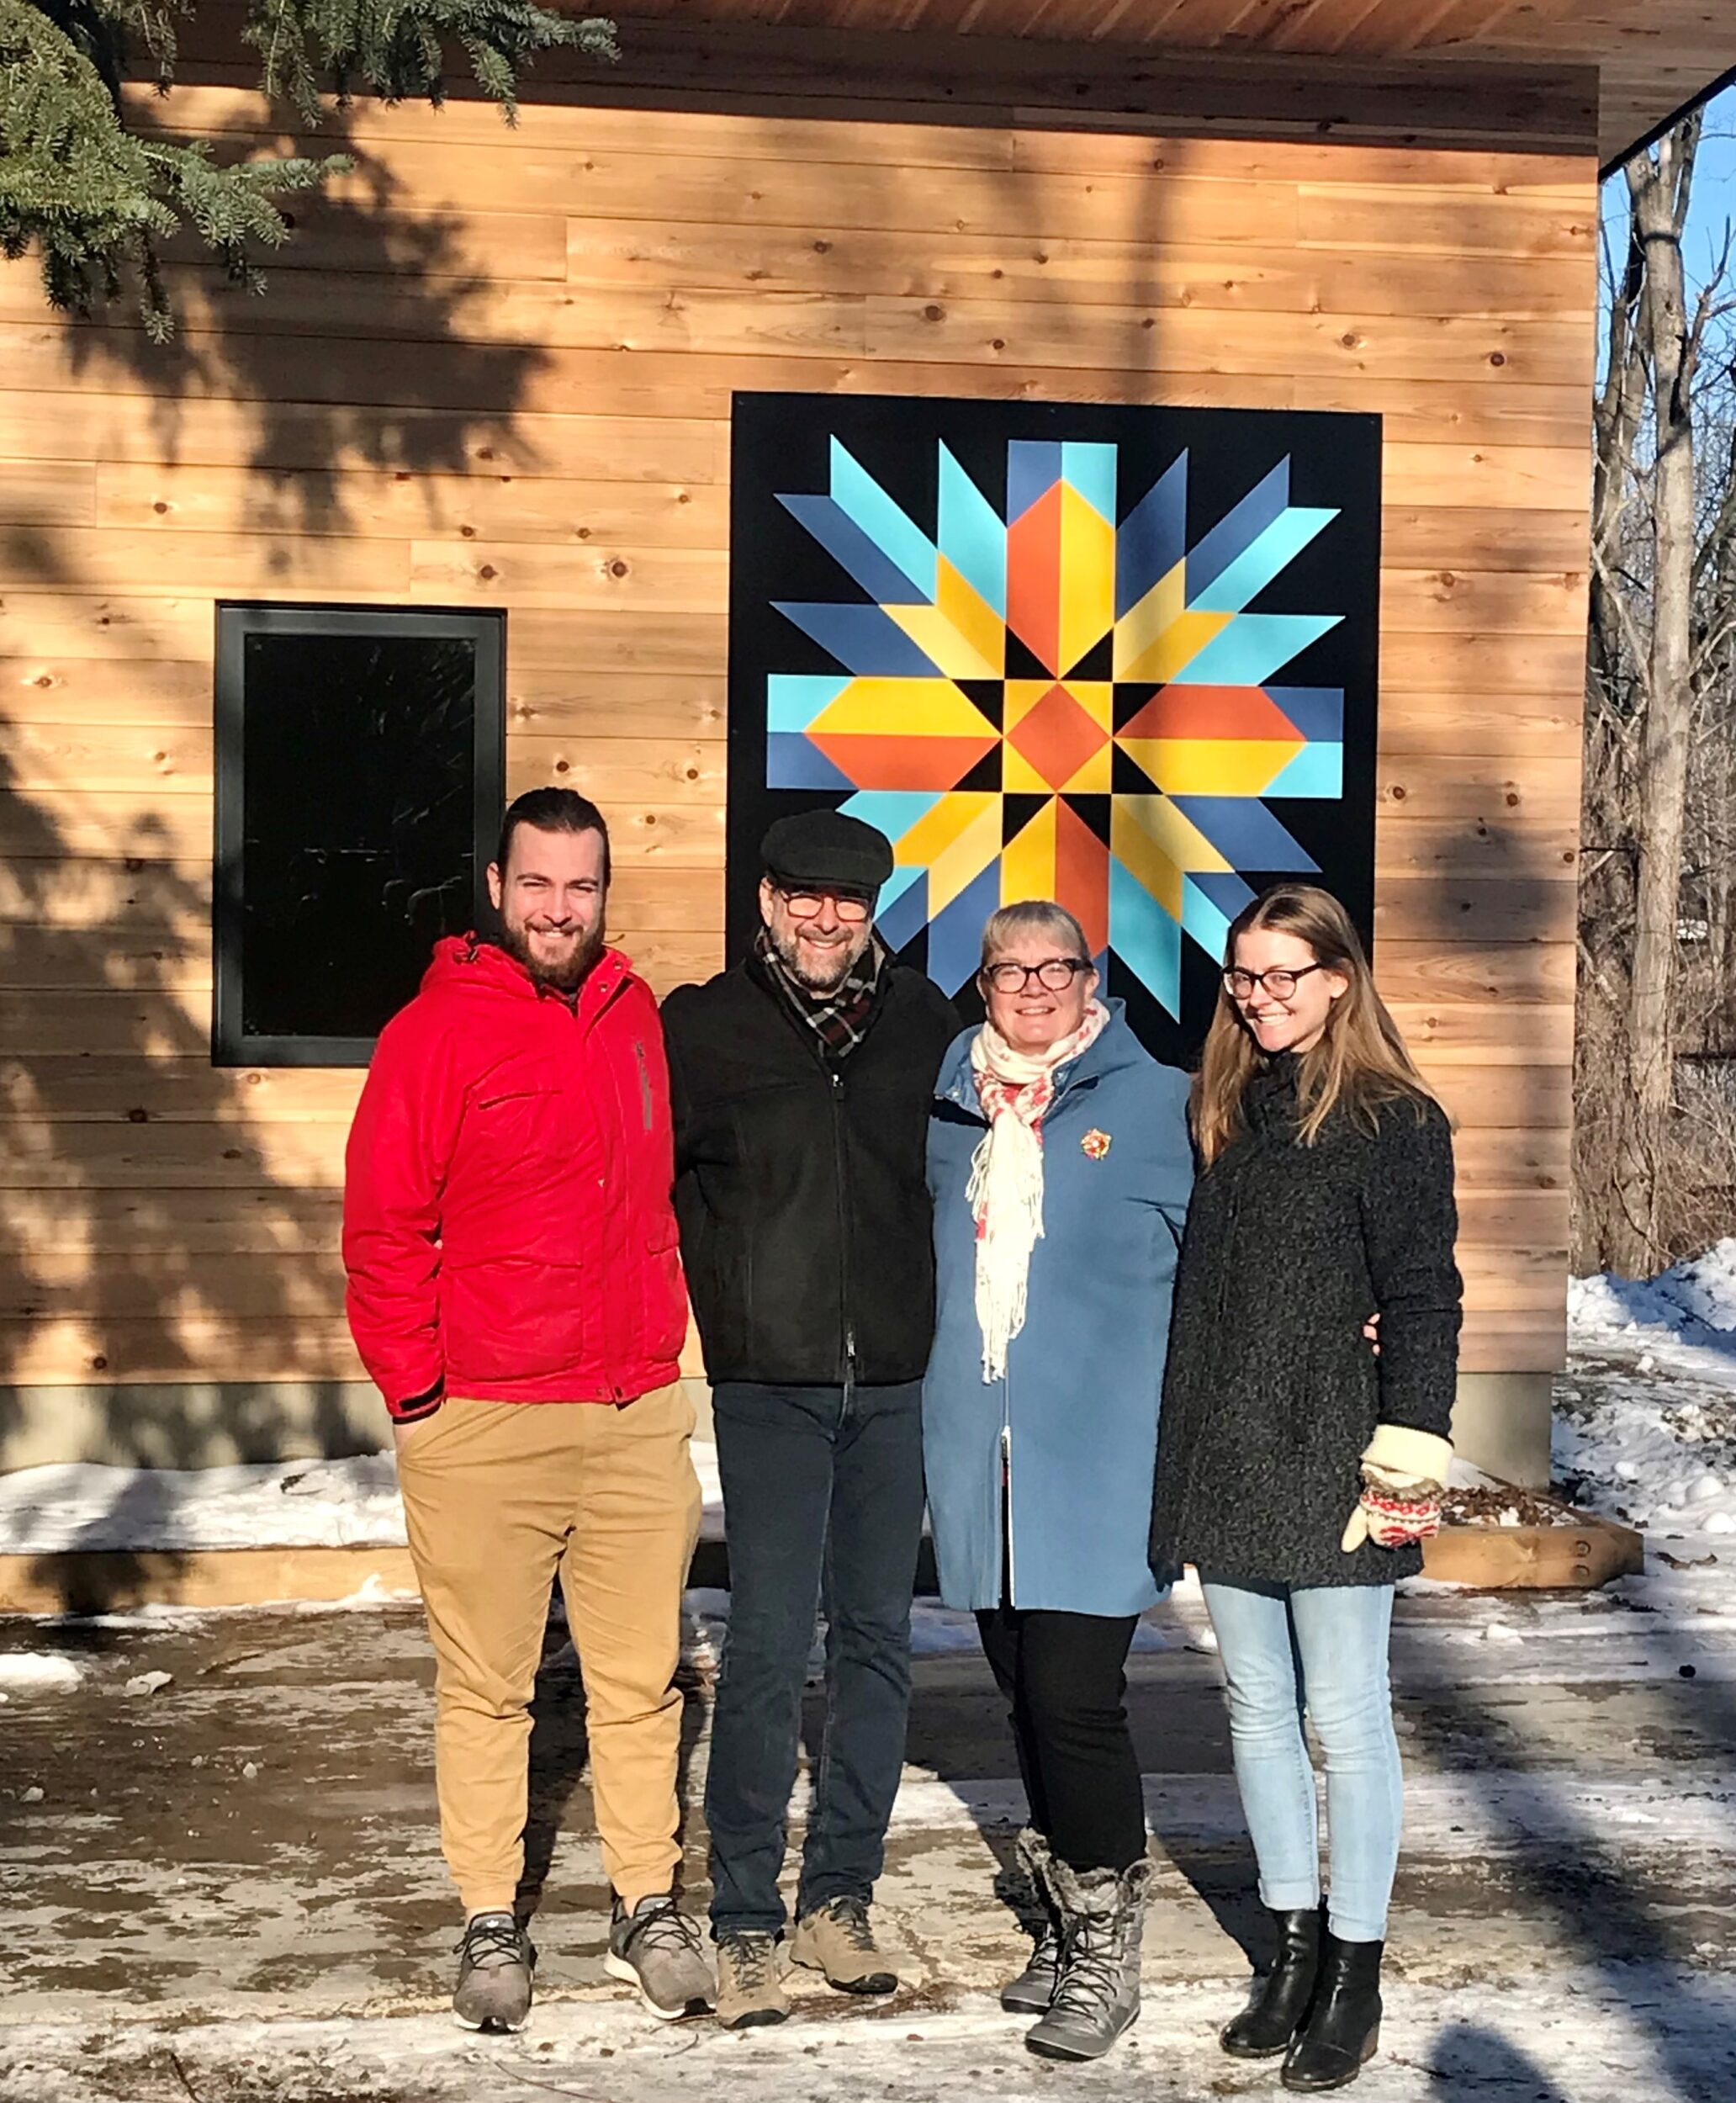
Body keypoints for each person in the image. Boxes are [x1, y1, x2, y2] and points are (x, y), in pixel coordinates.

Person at [342, 787, 713, 2034]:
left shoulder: (634, 1018)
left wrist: (663, 1358)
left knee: (641, 1681)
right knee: (488, 1688)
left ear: (605, 894)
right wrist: (421, 1397)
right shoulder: (432, 1033)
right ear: (497, 888)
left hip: (633, 1410)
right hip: (485, 1418)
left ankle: (646, 1903)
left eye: (582, 886)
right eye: (539, 884)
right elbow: (384, 1228)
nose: (560, 909)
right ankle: (490, 1917)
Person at [1149, 882, 1462, 2094]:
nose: (1260, 996)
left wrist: (1411, 1440)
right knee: (1255, 1709)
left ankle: (1354, 1970)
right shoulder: (1224, 1108)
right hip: (1233, 1447)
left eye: (1285, 975)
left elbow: (1423, 1293)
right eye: (1245, 975)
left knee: (1345, 1715)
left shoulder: (1394, 1119)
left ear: (1339, 980)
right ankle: (1288, 1950)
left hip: (1337, 1451)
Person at [660, 811, 959, 2030]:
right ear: (768, 902)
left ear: (870, 910)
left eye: (848, 901)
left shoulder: (928, 1024)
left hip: (894, 1379)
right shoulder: (702, 1028)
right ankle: (744, 1917)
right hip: (768, 1380)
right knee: (772, 1643)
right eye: (803, 897)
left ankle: (840, 1895)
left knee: (879, 1639)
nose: (826, 919)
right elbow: (643, 1181)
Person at [923, 899, 1193, 2063]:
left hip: (1103, 1455)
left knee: (1077, 1700)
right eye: (1009, 969)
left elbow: (1231, 1260)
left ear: (1092, 979)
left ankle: (1105, 1950)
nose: (1033, 987)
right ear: (983, 984)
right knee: (1025, 1695)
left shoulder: (1161, 1104)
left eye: (1056, 967)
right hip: (981, 1457)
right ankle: (1064, 1914)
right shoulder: (947, 1108)